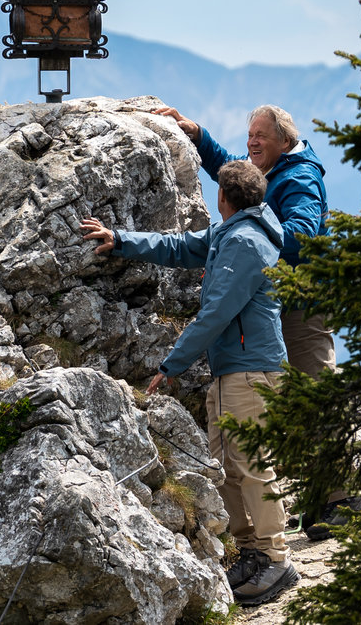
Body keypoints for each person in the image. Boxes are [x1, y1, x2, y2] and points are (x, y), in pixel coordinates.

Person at [80, 160, 299, 608]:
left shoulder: (245, 243)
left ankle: (277, 559)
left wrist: (171, 364)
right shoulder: (230, 234)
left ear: (223, 197)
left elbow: (215, 313)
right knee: (227, 466)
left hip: (252, 370)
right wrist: (120, 238)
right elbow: (178, 246)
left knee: (252, 465)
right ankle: (252, 553)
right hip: (233, 369)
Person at [155, 102, 356, 536]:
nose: (252, 143)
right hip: (280, 301)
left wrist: (250, 238)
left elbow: (302, 237)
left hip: (303, 304)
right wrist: (200, 137)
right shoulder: (275, 169)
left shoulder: (300, 177)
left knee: (313, 395)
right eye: (250, 135)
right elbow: (239, 178)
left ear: (285, 141)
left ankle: (340, 499)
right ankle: (322, 499)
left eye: (260, 136)